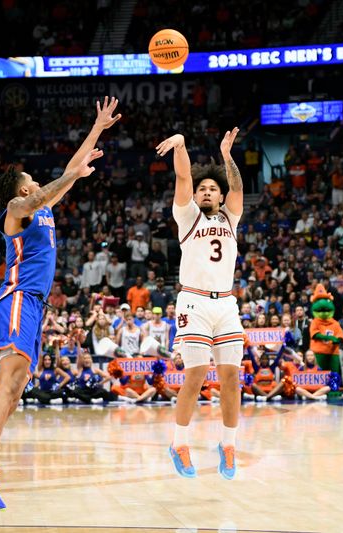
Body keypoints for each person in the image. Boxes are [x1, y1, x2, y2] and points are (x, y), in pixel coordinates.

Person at [0, 96, 120, 520]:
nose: (40, 184)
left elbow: (69, 174)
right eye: (34, 181)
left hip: (32, 306)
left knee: (14, 392)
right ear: (22, 189)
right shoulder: (17, 211)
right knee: (8, 383)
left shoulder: (45, 207)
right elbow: (61, 180)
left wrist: (96, 130)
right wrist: (70, 173)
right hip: (17, 298)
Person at [157, 127, 245, 480]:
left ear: (220, 198)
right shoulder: (187, 216)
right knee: (194, 376)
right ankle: (179, 443)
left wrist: (227, 155)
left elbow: (237, 187)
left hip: (226, 305)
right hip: (193, 301)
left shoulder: (230, 218)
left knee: (231, 379)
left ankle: (228, 443)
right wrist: (180, 143)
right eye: (202, 188)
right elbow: (182, 174)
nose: (206, 191)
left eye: (213, 188)